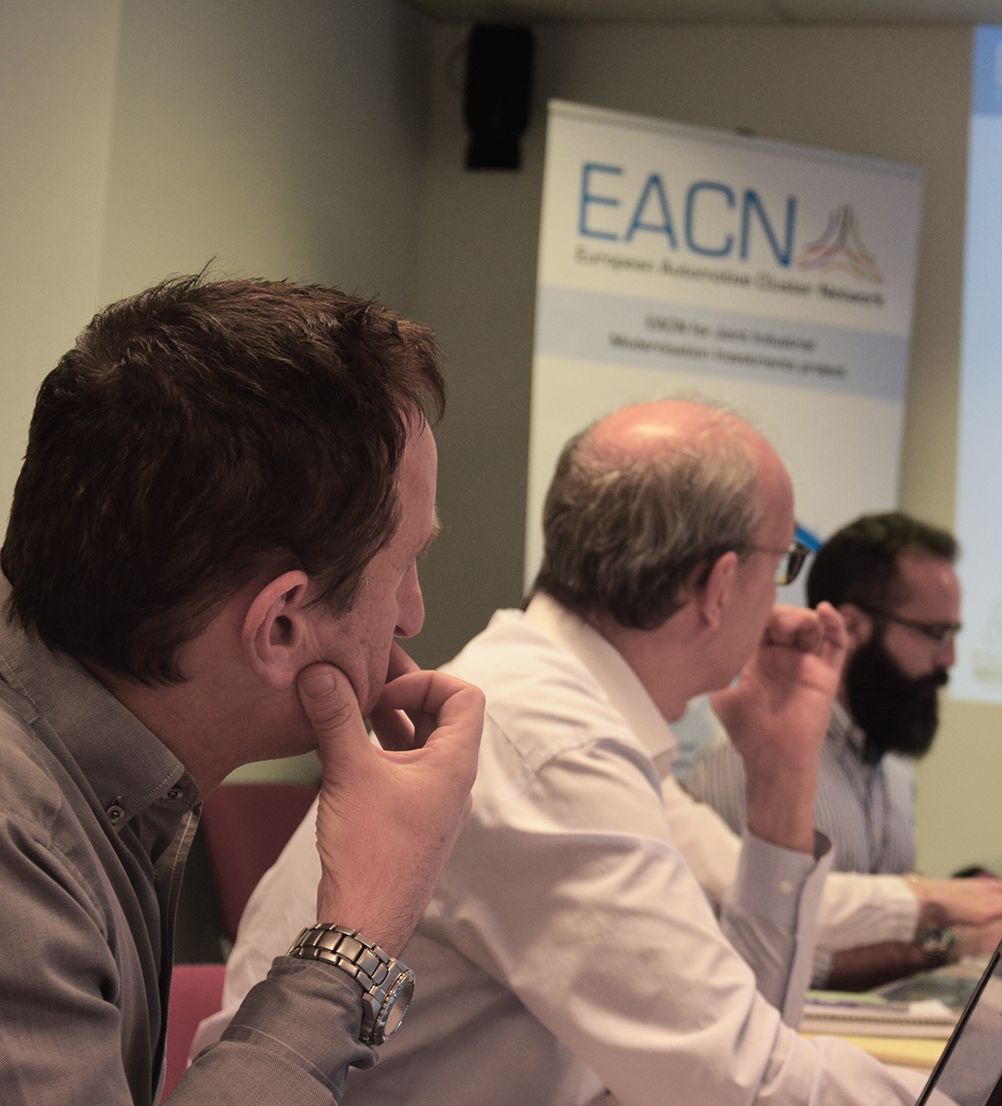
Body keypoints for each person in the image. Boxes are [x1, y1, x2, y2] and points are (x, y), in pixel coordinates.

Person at [0, 276, 484, 1103]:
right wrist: (356, 937)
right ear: (280, 625)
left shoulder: (77, 776)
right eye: (405, 568)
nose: (412, 614)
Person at [202, 399, 923, 1106]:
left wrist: (782, 778)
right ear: (720, 584)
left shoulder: (558, 711)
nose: (781, 599)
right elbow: (741, 1084)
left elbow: (729, 1045)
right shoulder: (553, 744)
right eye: (783, 564)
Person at [686, 512, 1002, 989]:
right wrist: (952, 941)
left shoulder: (893, 766)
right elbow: (768, 955)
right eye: (935, 634)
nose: (949, 659)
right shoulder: (747, 757)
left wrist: (996, 915)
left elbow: (886, 920)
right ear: (851, 625)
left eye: (954, 635)